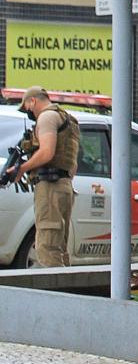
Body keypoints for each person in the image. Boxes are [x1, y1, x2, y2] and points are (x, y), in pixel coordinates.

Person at [2, 86, 80, 267]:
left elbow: (47, 153)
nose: (28, 111)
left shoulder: (46, 117)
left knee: (47, 246)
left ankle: (52, 293)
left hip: (51, 186)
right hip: (64, 184)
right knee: (59, 247)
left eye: (26, 107)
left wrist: (21, 169)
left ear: (33, 101)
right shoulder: (66, 119)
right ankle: (64, 290)